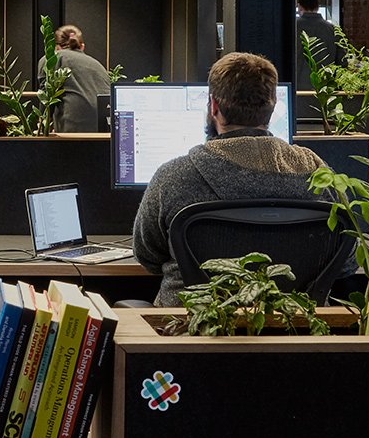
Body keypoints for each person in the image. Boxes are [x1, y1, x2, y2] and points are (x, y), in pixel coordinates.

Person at [131, 51, 328, 306]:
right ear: (273, 107)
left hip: (191, 324)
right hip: (294, 323)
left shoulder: (174, 177)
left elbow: (148, 257)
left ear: (214, 106)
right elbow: (345, 260)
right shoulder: (318, 174)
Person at [41, 24, 111, 133]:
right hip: (105, 130)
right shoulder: (97, 64)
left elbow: (45, 100)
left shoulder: (52, 59)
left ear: (56, 47)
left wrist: (42, 129)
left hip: (73, 131)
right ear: (82, 47)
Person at [296, 0, 348, 74]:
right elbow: (342, 63)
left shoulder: (291, 28)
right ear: (318, 6)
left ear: (299, 6)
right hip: (325, 81)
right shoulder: (333, 30)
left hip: (295, 82)